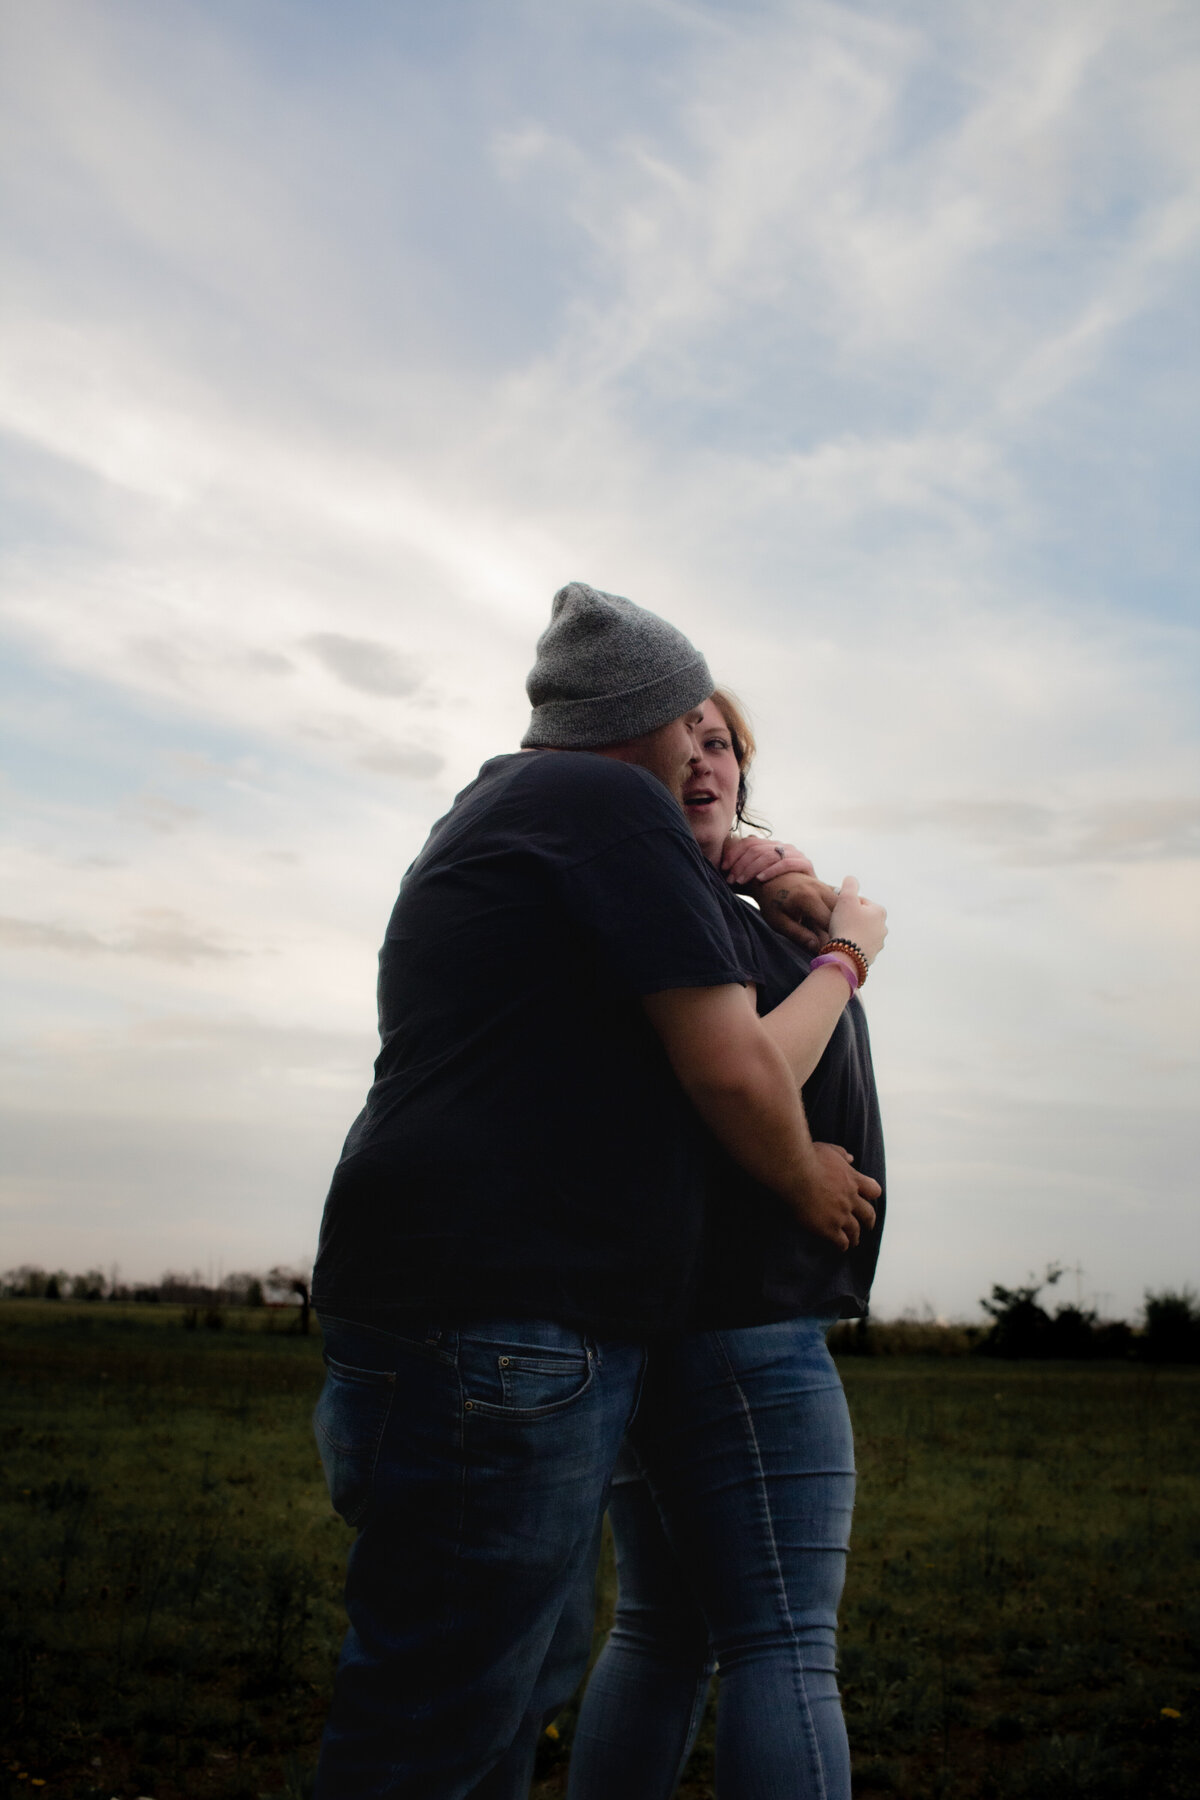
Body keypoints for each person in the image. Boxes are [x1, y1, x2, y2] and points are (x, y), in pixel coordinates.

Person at [308, 585, 879, 1800]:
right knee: (446, 1717)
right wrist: (805, 1169)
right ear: (659, 717)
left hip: (477, 1307)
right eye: (695, 726)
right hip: (504, 1314)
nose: (704, 753)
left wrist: (749, 864)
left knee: (511, 1677)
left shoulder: (521, 801)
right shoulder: (606, 802)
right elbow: (734, 1069)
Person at [567, 688, 888, 1800]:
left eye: (723, 745)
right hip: (742, 1315)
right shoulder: (675, 904)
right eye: (681, 744)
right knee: (786, 1642)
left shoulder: (704, 892)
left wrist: (773, 873)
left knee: (664, 1630)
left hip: (681, 1310)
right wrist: (845, 950)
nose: (705, 761)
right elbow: (743, 1076)